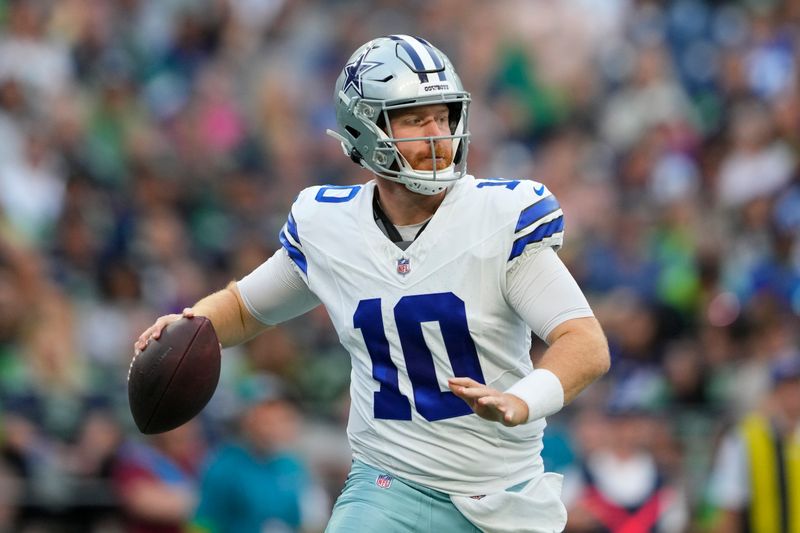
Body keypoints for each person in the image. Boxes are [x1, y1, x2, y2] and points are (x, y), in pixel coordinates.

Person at [134, 35, 610, 532]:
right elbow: (246, 308)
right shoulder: (329, 225)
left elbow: (585, 342)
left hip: (502, 494)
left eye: (444, 116)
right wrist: (193, 321)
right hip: (387, 487)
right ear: (363, 128)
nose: (437, 134)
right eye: (414, 118)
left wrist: (524, 398)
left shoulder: (500, 217)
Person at [190, 377, 330, 533]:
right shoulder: (224, 468)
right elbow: (203, 522)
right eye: (266, 415)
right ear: (245, 418)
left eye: (281, 415)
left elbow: (309, 521)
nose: (275, 423)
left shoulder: (292, 466)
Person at [707, 353, 800, 533]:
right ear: (774, 392)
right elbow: (730, 507)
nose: (793, 395)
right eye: (787, 387)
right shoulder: (745, 437)